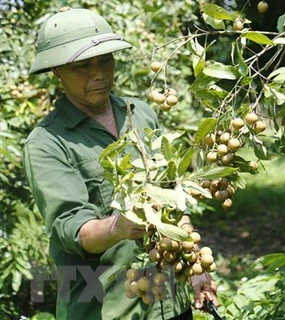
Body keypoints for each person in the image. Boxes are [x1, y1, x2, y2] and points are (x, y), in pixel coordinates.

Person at [23, 7, 218, 320]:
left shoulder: (139, 113)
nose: (99, 73)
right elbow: (72, 229)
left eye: (105, 60)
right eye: (82, 66)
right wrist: (119, 226)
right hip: (105, 309)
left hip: (168, 300)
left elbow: (170, 200)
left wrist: (195, 269)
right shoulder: (47, 142)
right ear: (57, 71)